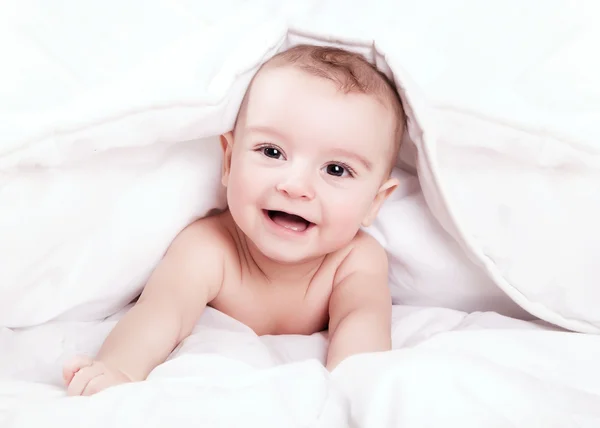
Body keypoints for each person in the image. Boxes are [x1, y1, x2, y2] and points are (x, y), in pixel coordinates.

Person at [63, 44, 405, 396]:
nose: (295, 186)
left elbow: (363, 323)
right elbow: (164, 310)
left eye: (336, 169)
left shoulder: (355, 260)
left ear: (374, 202)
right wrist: (120, 368)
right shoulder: (210, 247)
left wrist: (352, 394)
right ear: (228, 161)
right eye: (272, 152)